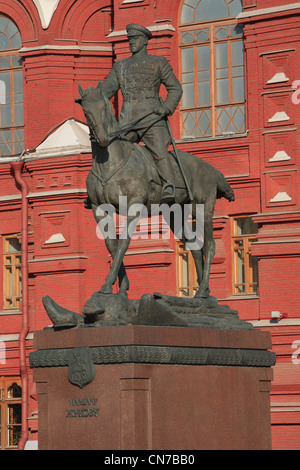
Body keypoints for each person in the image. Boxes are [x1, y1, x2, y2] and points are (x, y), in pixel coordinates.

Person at [101, 23, 183, 203]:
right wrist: (91, 96)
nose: (131, 42)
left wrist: (166, 108)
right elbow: (106, 91)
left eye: (135, 39)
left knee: (160, 152)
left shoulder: (158, 63)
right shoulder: (120, 66)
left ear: (145, 41)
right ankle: (101, 187)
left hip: (152, 119)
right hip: (127, 121)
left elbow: (175, 88)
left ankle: (169, 185)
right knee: (110, 150)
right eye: (130, 39)